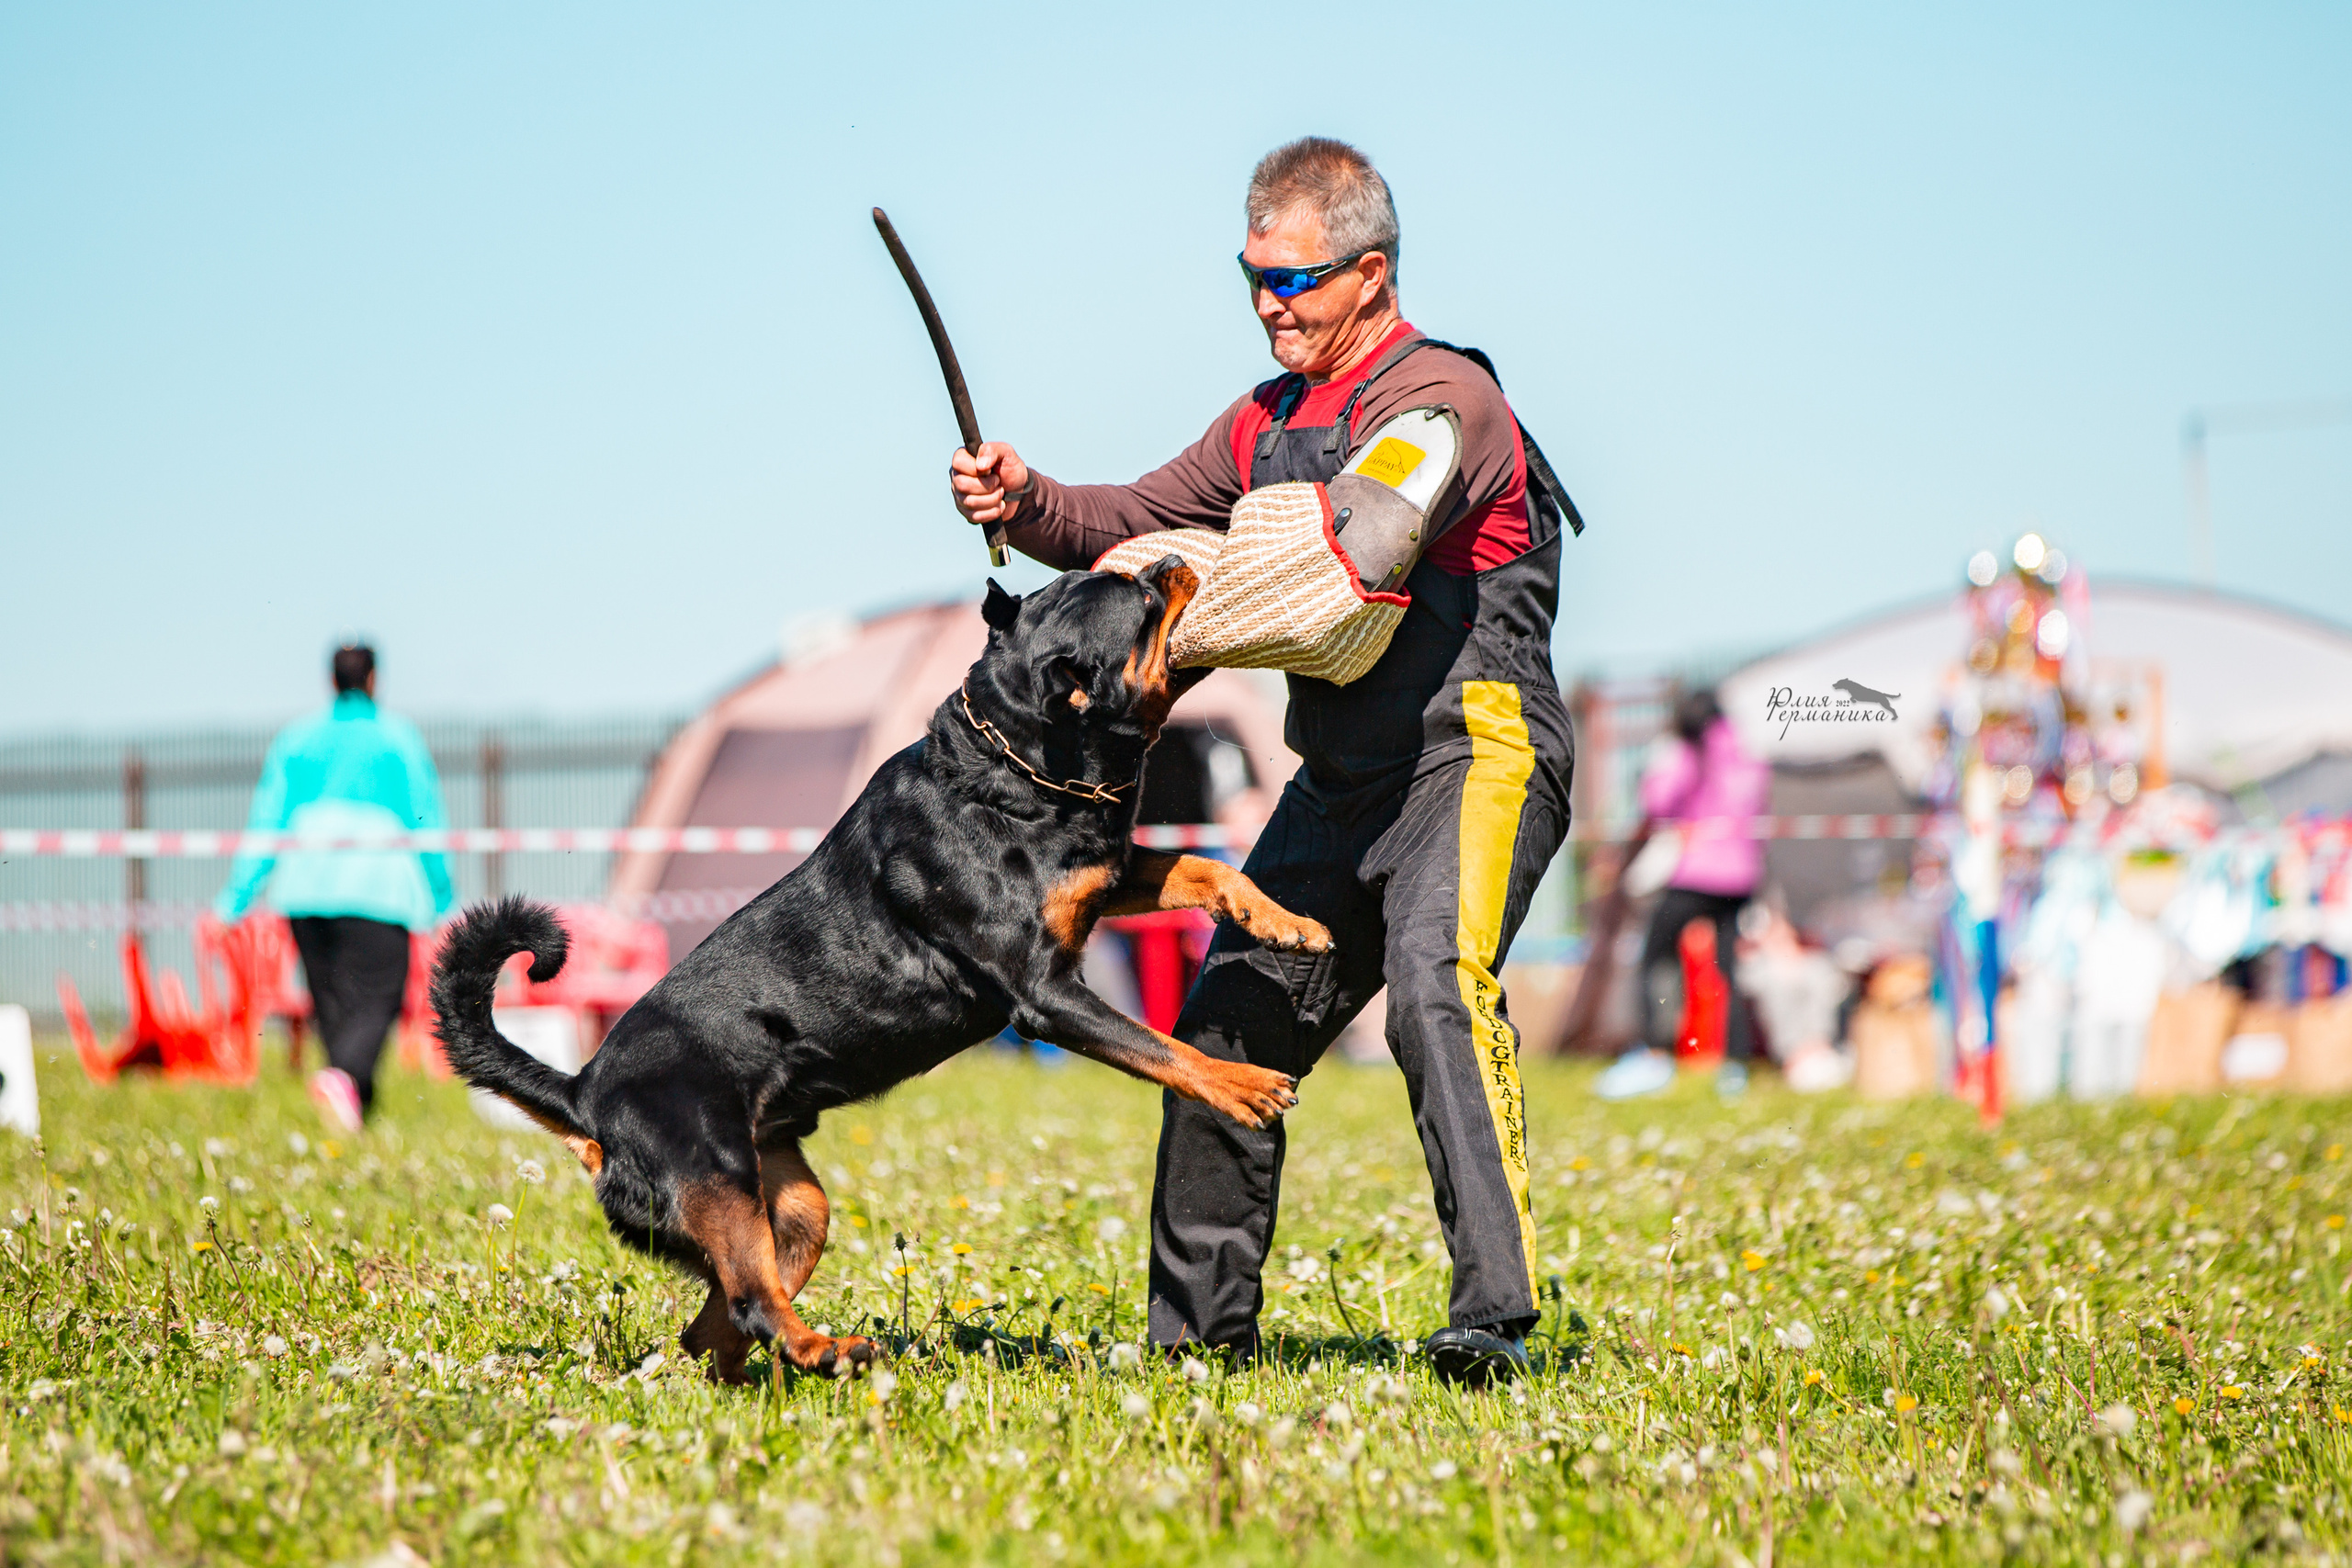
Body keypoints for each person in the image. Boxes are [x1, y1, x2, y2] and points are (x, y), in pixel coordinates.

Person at [950, 138, 1581, 1384]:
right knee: (1224, 1031)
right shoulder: (1265, 420)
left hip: (1475, 753)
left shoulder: (1443, 400)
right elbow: (1130, 518)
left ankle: (1492, 1323)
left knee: (1436, 987)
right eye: (1251, 277)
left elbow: (1359, 548)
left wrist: (1187, 590)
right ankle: (1198, 1347)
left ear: (1371, 274)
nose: (1266, 304)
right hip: (1340, 782)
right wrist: (1026, 502)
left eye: (1292, 280)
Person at [215, 644, 454, 1131]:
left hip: (304, 888)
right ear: (373, 679)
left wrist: (234, 901)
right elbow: (424, 818)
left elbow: (268, 819)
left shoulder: (297, 738)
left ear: (331, 680)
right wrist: (442, 898)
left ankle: (350, 1107)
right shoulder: (397, 738)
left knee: (332, 1003)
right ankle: (344, 1080)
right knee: (379, 997)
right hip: (377, 889)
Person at [1595, 687, 1770, 1100]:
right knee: (1728, 971)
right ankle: (1735, 1067)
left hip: (1695, 874)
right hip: (1741, 878)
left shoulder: (1688, 751)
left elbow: (1658, 803)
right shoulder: (1746, 753)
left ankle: (1655, 1055)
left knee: (1655, 958)